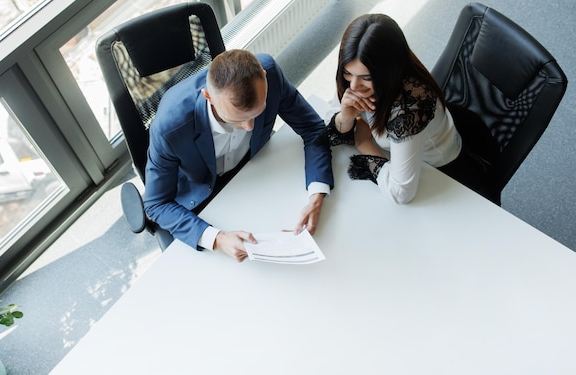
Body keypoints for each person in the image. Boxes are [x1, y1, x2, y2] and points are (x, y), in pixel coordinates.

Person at [144, 49, 334, 262]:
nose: (248, 126)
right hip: (202, 195)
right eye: (235, 120)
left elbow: (312, 128)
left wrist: (317, 195)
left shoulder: (269, 72)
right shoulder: (170, 126)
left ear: (264, 75)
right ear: (208, 97)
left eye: (257, 113)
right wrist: (217, 238)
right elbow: (156, 204)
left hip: (255, 172)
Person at [326, 14, 488, 203]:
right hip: (397, 155)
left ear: (389, 71)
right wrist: (346, 116)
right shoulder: (358, 77)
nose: (353, 86)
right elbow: (329, 125)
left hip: (438, 172)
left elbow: (401, 193)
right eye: (347, 72)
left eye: (366, 77)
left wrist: (364, 144)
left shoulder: (408, 109)